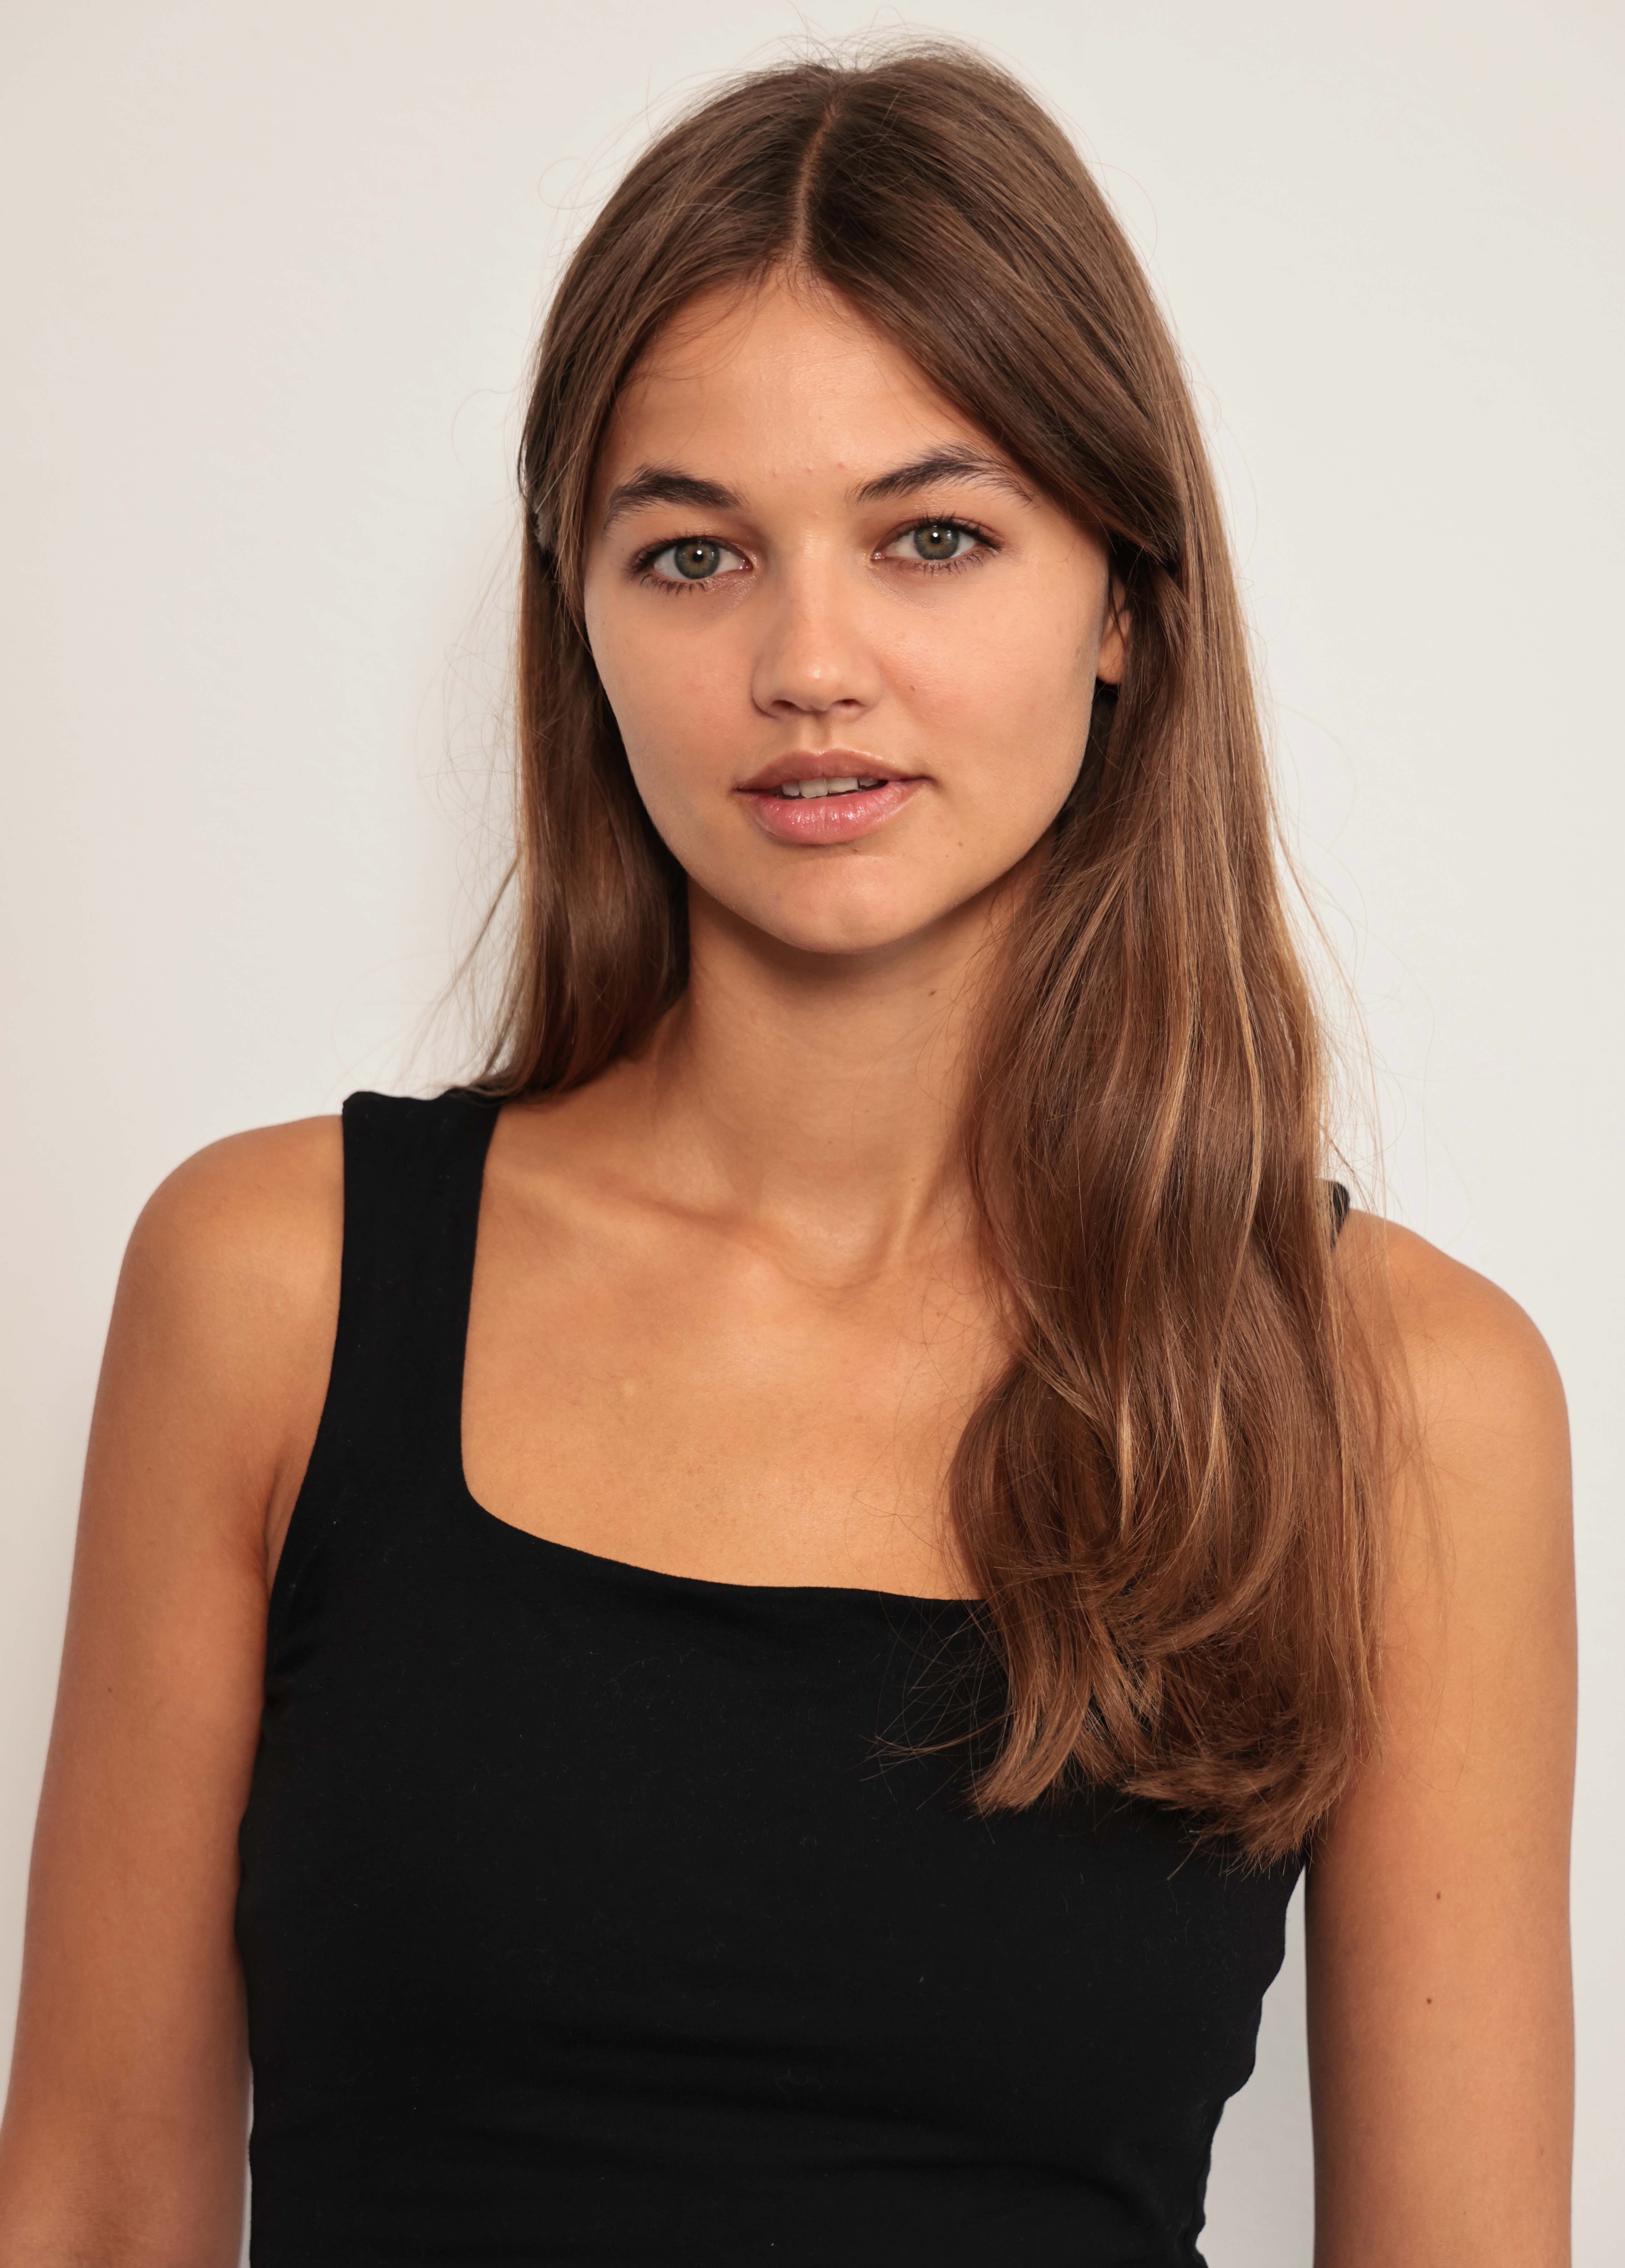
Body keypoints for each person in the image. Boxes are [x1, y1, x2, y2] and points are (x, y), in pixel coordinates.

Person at [0, 40, 1576, 2268]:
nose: (808, 661)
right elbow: (88, 2208)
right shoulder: (274, 1288)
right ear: (582, 618)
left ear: (1125, 603)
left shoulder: (1402, 1397)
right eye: (694, 553)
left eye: (934, 536)